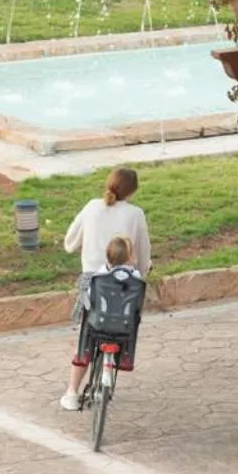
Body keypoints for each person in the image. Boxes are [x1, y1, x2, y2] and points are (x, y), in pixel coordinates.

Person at [60, 166, 151, 410]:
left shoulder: (91, 207)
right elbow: (143, 257)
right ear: (133, 191)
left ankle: (71, 392)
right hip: (123, 285)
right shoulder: (136, 214)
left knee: (86, 333)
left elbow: (69, 243)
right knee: (125, 321)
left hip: (93, 283)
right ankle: (116, 364)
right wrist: (141, 273)